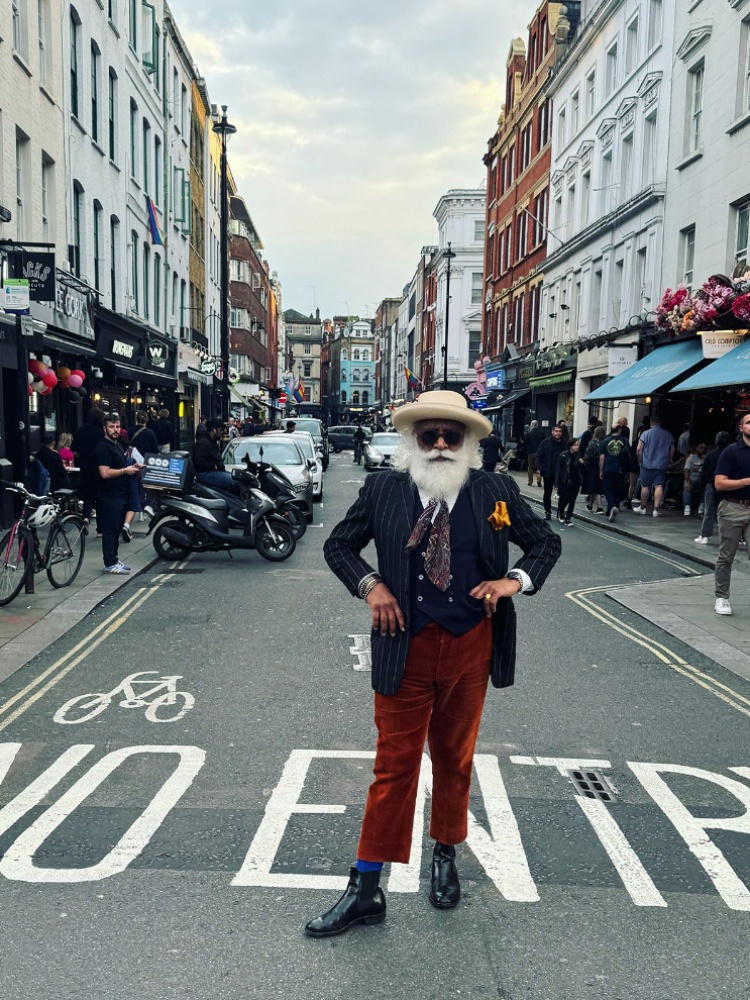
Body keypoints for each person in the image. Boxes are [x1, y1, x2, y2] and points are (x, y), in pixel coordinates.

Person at [305, 390, 560, 938]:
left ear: (468, 443)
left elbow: (544, 542)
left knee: (454, 759)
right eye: (430, 435)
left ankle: (445, 853)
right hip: (406, 647)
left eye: (453, 435)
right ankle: (366, 887)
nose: (442, 444)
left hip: (471, 645)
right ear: (412, 440)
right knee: (393, 766)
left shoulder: (495, 489)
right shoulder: (384, 489)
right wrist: (371, 586)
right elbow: (339, 547)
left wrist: (513, 581)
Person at [94, 414, 141, 574]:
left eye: (117, 426)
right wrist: (125, 471)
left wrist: (134, 466)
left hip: (120, 494)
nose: (115, 430)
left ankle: (114, 559)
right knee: (110, 530)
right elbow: (104, 473)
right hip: (109, 495)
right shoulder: (103, 447)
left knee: (117, 528)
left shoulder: (117, 445)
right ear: (104, 428)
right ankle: (109, 563)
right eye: (112, 427)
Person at [713, 412, 750, 616]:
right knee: (727, 556)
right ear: (741, 428)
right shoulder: (731, 452)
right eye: (748, 422)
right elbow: (719, 483)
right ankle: (722, 597)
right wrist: (746, 481)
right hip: (732, 508)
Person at [695, 431, 731, 545]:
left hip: (713, 484)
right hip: (729, 485)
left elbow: (704, 473)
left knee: (709, 511)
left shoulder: (711, 455)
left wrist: (701, 488)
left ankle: (704, 535)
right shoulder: (732, 455)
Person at [72, 406, 105, 526]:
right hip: (99, 467)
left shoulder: (80, 431)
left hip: (85, 467)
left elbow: (74, 449)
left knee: (88, 495)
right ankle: (100, 528)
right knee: (100, 497)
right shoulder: (101, 432)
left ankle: (86, 516)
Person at [635, 416, 674, 517]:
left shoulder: (645, 434)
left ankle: (643, 507)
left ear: (651, 423)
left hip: (647, 464)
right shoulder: (668, 435)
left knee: (645, 486)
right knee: (659, 486)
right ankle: (656, 510)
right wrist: (669, 460)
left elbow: (639, 449)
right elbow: (672, 450)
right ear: (660, 423)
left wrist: (640, 461)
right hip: (661, 464)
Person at [598, 424, 630, 522]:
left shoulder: (605, 441)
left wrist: (601, 471)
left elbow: (602, 458)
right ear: (619, 430)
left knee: (608, 489)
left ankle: (611, 506)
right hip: (620, 469)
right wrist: (628, 470)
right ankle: (612, 508)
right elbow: (629, 455)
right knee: (617, 489)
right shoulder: (624, 440)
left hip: (608, 468)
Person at [192, 418, 234, 491]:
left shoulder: (210, 441)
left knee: (236, 478)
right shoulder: (204, 443)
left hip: (212, 472)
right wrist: (215, 466)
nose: (222, 432)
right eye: (220, 430)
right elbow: (199, 462)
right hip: (205, 474)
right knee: (234, 481)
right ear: (214, 430)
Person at [534, 424, 565, 520]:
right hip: (548, 471)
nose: (558, 433)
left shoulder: (564, 444)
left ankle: (560, 511)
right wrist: (538, 467)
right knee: (547, 492)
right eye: (556, 431)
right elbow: (539, 455)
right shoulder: (545, 443)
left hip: (561, 472)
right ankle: (548, 512)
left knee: (563, 493)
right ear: (552, 432)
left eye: (560, 431)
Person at [556, 438, 582, 526]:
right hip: (565, 481)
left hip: (576, 481)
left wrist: (583, 463)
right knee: (564, 499)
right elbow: (558, 469)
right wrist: (557, 483)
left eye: (578, 445)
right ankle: (561, 511)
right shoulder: (563, 455)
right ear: (570, 446)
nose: (577, 447)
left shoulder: (580, 456)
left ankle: (568, 519)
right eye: (575, 445)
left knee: (572, 500)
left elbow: (584, 470)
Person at [583, 425, 605, 513]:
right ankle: (590, 505)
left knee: (595, 487)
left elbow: (587, 455)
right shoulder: (605, 442)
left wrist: (584, 462)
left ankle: (600, 507)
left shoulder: (593, 443)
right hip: (603, 465)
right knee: (594, 486)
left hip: (593, 465)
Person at [683, 441, 708, 516]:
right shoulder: (691, 459)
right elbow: (686, 471)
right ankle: (687, 506)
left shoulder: (707, 459)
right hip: (692, 480)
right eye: (701, 448)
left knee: (707, 487)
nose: (703, 450)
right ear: (697, 449)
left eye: (704, 448)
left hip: (702, 481)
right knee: (686, 486)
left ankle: (702, 505)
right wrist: (688, 482)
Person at [523, 420, 544, 487]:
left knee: (530, 467)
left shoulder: (528, 435)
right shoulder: (541, 434)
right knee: (539, 467)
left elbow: (525, 444)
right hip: (539, 453)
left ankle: (530, 481)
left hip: (530, 453)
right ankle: (539, 481)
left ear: (531, 425)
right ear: (537, 425)